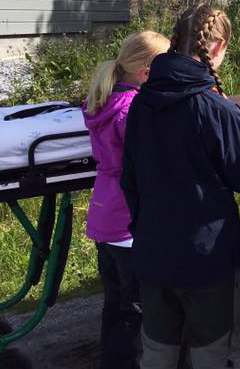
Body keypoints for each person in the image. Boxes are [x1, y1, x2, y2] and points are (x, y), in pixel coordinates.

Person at [121, 3, 240, 369]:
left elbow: (130, 179)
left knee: (157, 351)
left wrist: (144, 228)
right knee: (209, 352)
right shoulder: (217, 108)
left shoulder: (141, 104)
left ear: (175, 42)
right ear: (217, 49)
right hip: (206, 257)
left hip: (154, 250)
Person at [83, 30, 171, 369]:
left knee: (116, 302)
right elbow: (149, 161)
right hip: (127, 219)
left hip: (104, 214)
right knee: (138, 304)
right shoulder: (133, 111)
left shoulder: (102, 101)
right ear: (147, 72)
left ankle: (113, 359)